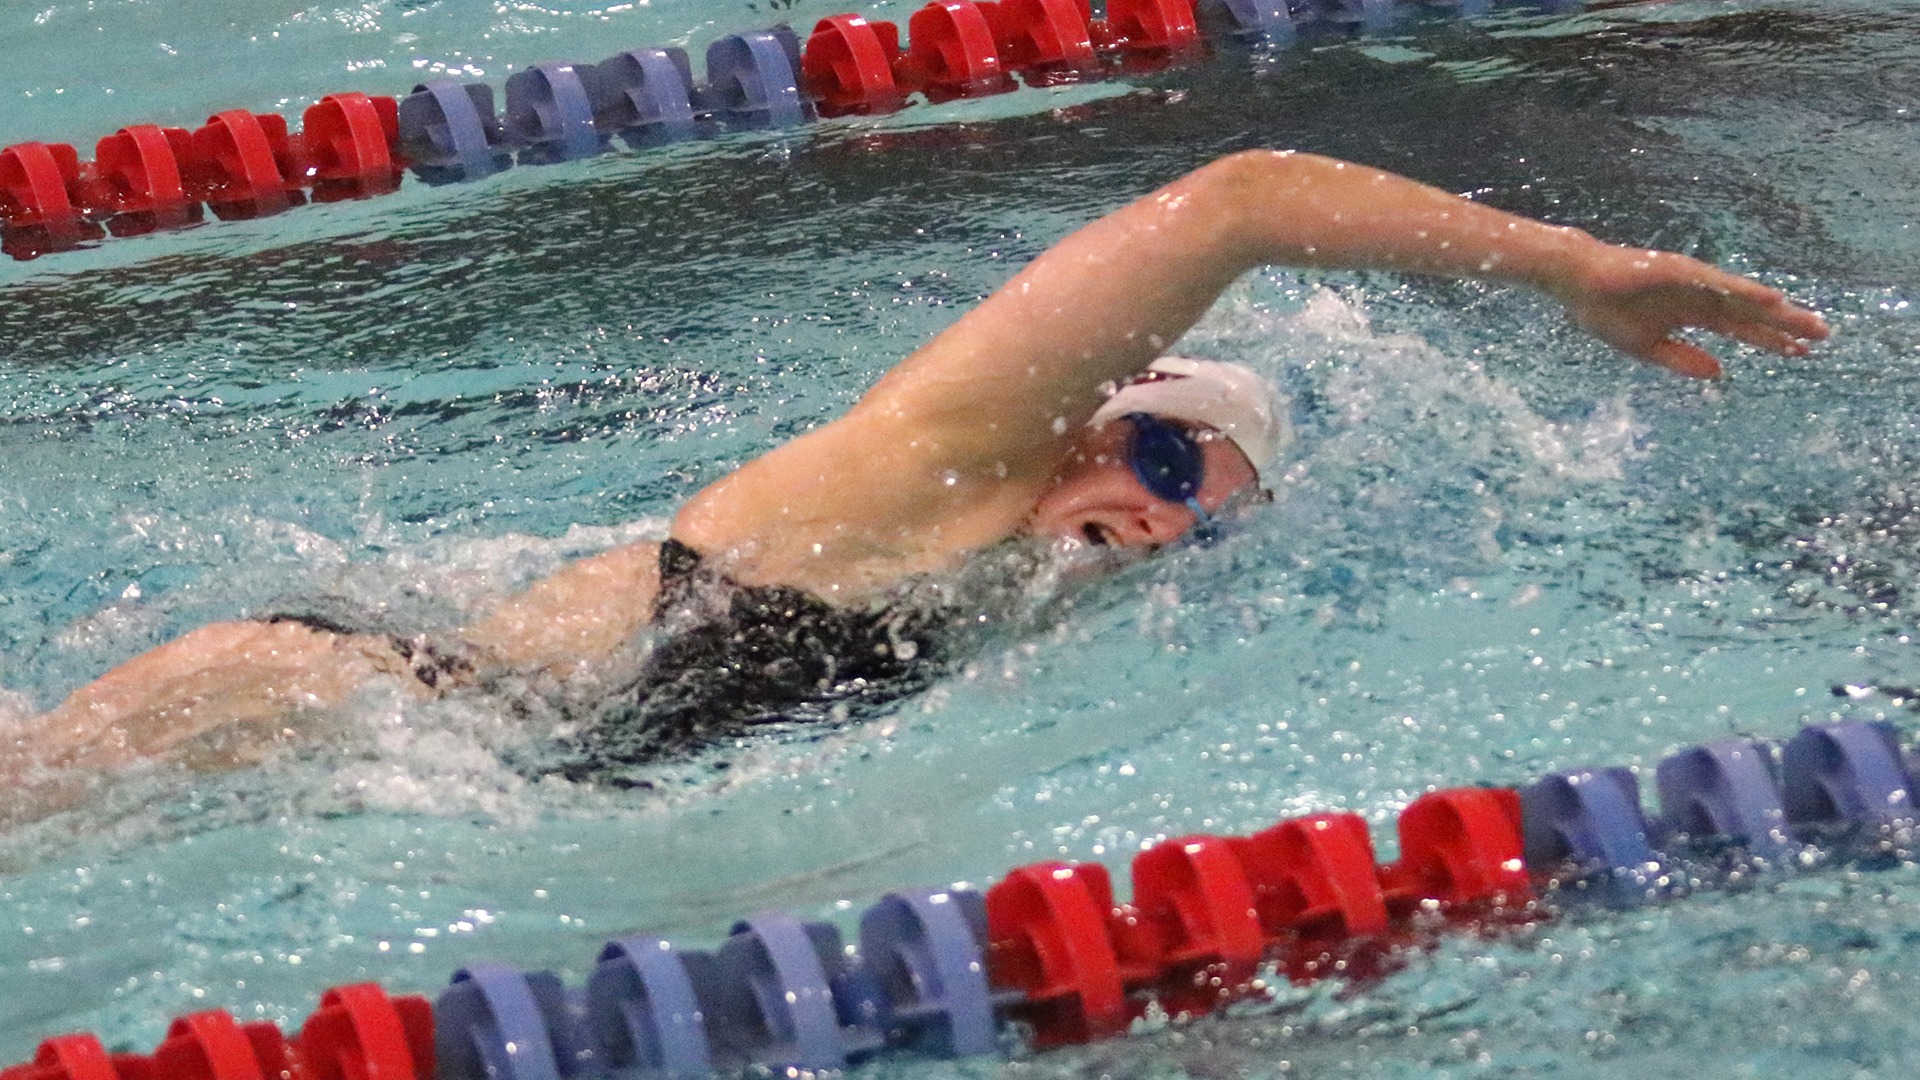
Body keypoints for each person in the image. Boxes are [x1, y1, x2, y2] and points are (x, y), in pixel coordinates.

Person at [1, 150, 1829, 816]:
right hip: (303, 698)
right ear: (1101, 424)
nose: (1172, 516)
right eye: (1174, 455)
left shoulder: (999, 622)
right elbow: (1244, 199)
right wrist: (1571, 267)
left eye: (1214, 510)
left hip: (389, 781)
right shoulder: (934, 478)